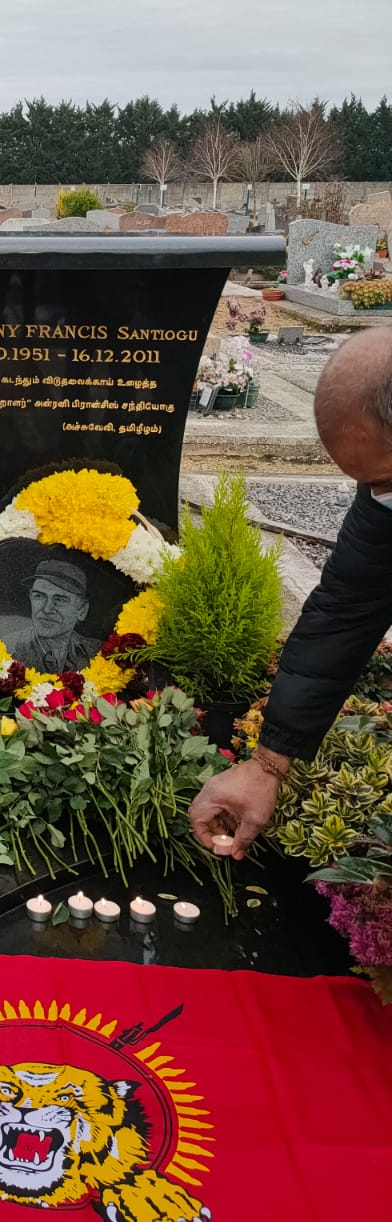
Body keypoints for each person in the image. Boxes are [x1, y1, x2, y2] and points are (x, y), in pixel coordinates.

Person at [189, 328, 392, 859]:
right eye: (369, 484)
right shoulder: (385, 493)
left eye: (387, 480)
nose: (381, 498)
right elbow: (345, 610)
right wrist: (268, 763)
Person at [7, 557, 102, 672]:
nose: (47, 609)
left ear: (82, 610)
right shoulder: (6, 649)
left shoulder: (99, 653)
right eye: (39, 596)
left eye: (60, 600)